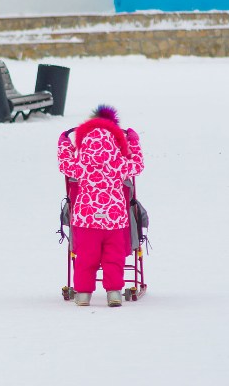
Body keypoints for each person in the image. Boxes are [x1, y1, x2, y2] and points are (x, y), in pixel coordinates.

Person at [57, 105, 144, 307]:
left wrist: (64, 143)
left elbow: (64, 163)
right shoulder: (119, 162)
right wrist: (134, 141)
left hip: (86, 220)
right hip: (115, 221)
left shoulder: (82, 163)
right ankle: (113, 292)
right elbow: (138, 165)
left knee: (86, 258)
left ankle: (83, 294)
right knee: (113, 258)